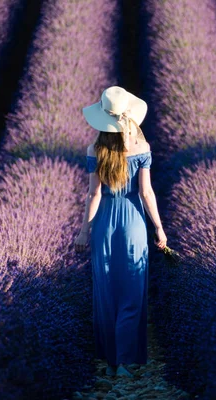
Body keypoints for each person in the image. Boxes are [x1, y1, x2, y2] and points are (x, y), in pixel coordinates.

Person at [73, 86, 167, 378]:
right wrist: (160, 230)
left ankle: (112, 360)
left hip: (104, 224)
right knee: (132, 290)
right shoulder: (141, 149)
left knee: (106, 290)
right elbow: (147, 193)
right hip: (133, 223)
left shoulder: (95, 150)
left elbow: (94, 195)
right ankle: (126, 361)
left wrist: (84, 231)